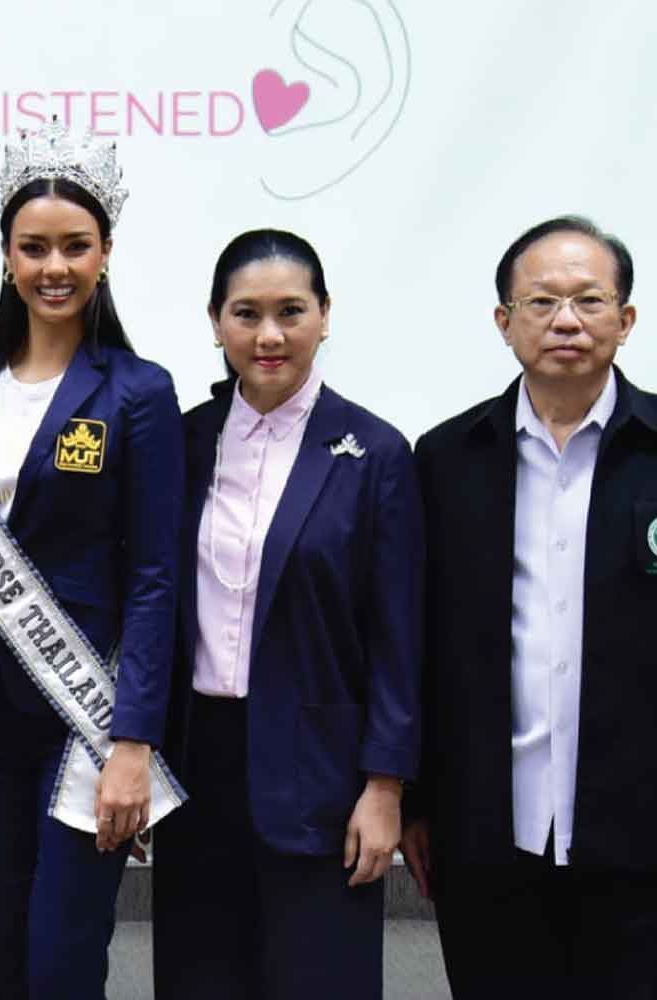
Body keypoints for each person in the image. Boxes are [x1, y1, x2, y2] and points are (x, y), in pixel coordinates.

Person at [0, 118, 183, 999]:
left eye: (75, 246)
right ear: (6, 257)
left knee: (64, 959)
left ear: (105, 252)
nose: (54, 267)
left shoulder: (138, 391)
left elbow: (154, 580)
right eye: (34, 248)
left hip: (87, 724)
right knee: (7, 958)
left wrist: (134, 742)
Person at [147, 229, 422, 999]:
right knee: (201, 979)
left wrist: (386, 786)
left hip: (323, 774)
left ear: (325, 315)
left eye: (291, 311)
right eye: (246, 313)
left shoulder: (375, 453)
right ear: (215, 321)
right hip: (200, 766)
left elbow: (397, 636)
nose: (269, 335)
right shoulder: (182, 441)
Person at [403, 216, 656, 997]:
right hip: (487, 837)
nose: (567, 322)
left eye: (590, 300)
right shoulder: (446, 459)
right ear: (504, 322)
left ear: (627, 318)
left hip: (641, 836)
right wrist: (414, 800)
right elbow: (423, 645)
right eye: (542, 303)